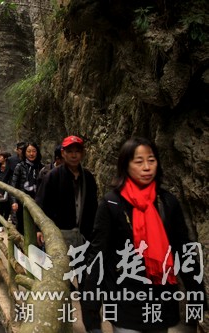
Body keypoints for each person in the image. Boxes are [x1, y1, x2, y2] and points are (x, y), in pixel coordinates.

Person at [82, 137, 206, 333]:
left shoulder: (166, 202)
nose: (147, 167)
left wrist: (197, 299)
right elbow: (97, 257)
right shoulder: (112, 204)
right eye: (139, 162)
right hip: (125, 305)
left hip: (160, 304)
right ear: (125, 165)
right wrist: (91, 315)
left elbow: (185, 251)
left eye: (152, 160)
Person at [36, 136, 97, 248]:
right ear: (63, 153)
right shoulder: (52, 176)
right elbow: (41, 204)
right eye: (69, 151)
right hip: (59, 234)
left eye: (77, 151)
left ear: (82, 153)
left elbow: (93, 206)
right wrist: (39, 229)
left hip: (84, 235)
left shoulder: (88, 177)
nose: (74, 155)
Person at [10, 142, 44, 235]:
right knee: (22, 227)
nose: (31, 154)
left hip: (37, 202)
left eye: (34, 151)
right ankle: (22, 248)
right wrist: (14, 202)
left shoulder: (41, 167)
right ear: (25, 153)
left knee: (37, 226)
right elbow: (14, 185)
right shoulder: (20, 166)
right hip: (22, 202)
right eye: (29, 151)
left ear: (37, 152)